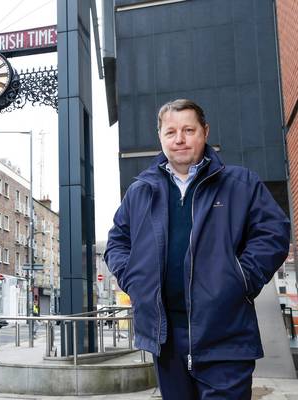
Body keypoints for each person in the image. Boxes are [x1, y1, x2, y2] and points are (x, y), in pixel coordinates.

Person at [105, 99, 290, 400]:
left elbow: (273, 233)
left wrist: (242, 278)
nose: (179, 139)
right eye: (170, 132)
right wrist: (133, 280)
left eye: (188, 130)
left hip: (225, 332)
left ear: (204, 131)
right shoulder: (141, 190)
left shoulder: (240, 183)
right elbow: (117, 242)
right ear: (160, 137)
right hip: (166, 339)